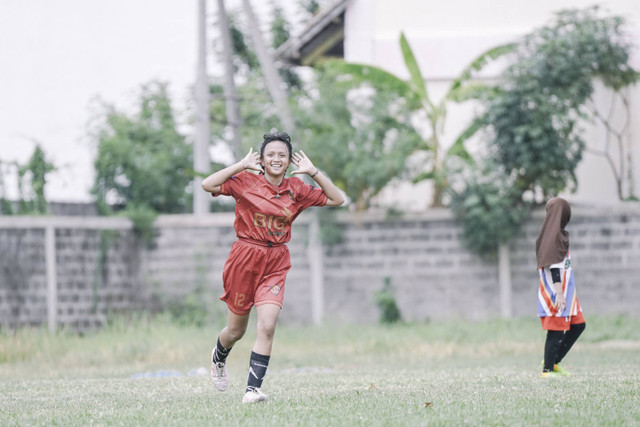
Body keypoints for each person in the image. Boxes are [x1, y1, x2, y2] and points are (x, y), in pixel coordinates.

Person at [201, 131, 345, 403]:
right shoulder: (245, 182)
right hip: (244, 258)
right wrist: (240, 165)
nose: (276, 159)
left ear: (289, 160)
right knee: (236, 331)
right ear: (263, 160)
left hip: (276, 261)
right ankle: (218, 357)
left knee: (267, 326)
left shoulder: (297, 189)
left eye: (282, 155)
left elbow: (337, 199)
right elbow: (207, 184)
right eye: (271, 155)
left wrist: (313, 172)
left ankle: (252, 390)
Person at [535, 197, 586, 378]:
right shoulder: (552, 238)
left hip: (567, 292)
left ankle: (553, 361)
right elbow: (554, 266)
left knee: (579, 325)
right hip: (555, 292)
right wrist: (559, 293)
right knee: (555, 331)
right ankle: (547, 370)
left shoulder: (560, 235)